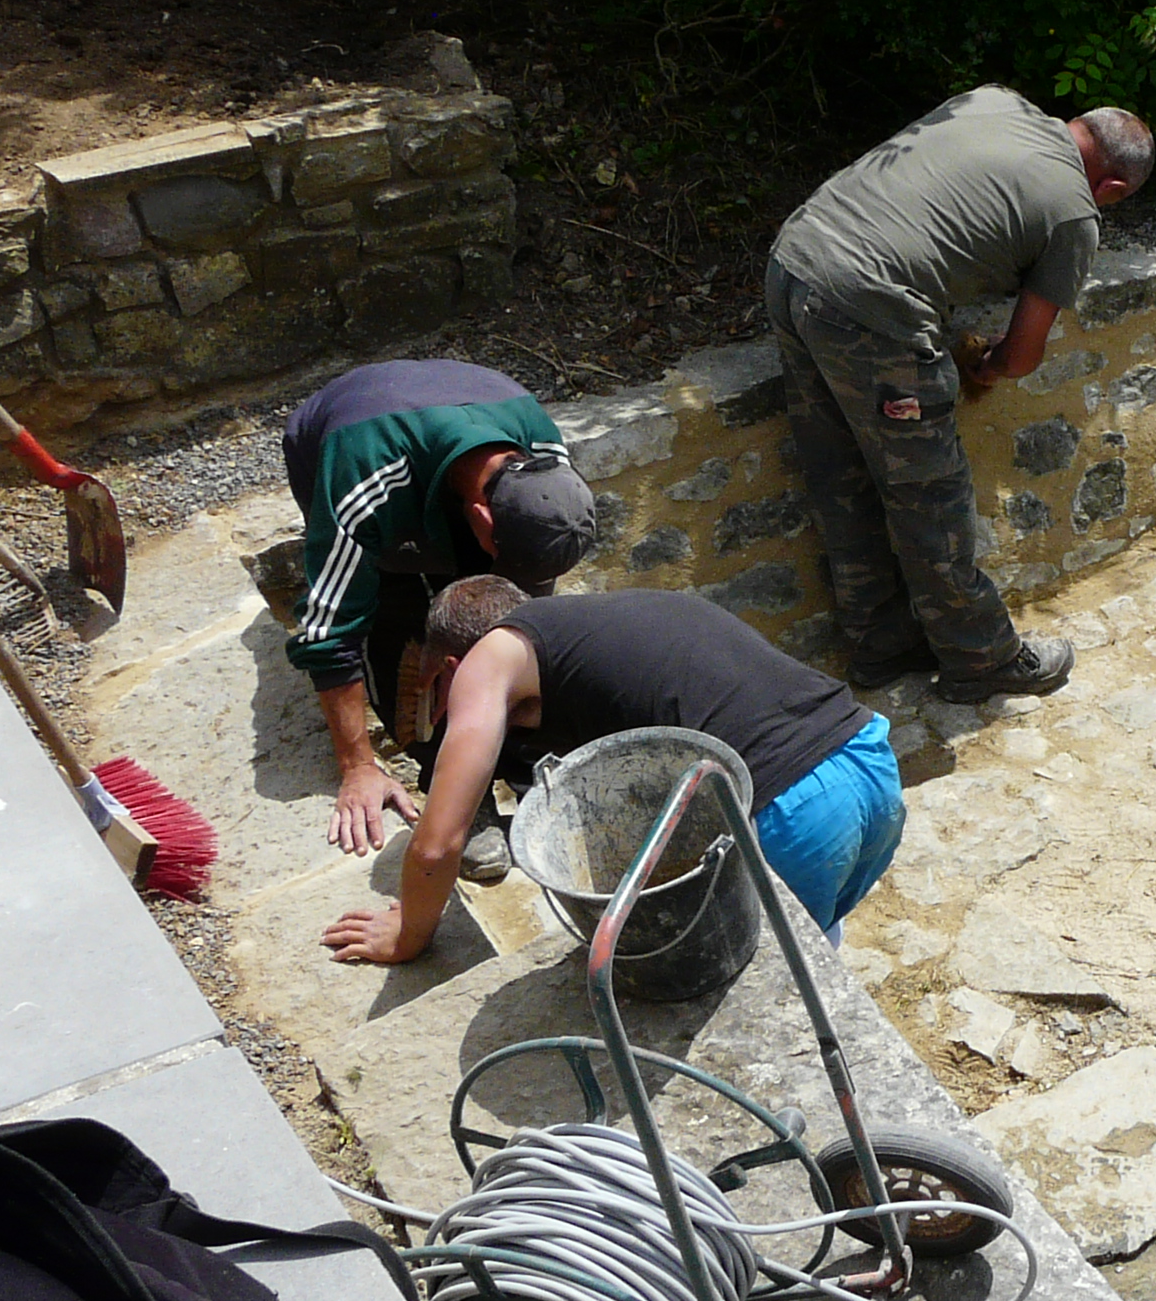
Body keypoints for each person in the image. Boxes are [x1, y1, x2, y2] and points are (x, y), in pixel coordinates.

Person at [767, 87, 1154, 704]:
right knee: (930, 494)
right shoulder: (1074, 213)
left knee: (841, 475)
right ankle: (981, 658)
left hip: (795, 261)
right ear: (1111, 189)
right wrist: (984, 364)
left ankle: (881, 644)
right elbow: (1023, 356)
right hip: (866, 308)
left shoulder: (994, 100)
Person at [320, 579, 903, 966]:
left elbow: (437, 841)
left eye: (438, 696)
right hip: (870, 770)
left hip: (787, 813)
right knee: (804, 964)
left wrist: (408, 934)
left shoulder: (486, 660)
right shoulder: (605, 624)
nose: (445, 715)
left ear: (452, 664)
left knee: (732, 987)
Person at [282, 359, 596, 872]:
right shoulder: (363, 476)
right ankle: (454, 789)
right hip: (354, 436)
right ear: (482, 517)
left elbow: (529, 613)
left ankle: (525, 763)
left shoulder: (545, 455)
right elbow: (327, 633)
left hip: (454, 429)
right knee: (401, 624)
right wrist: (358, 765)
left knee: (506, 628)